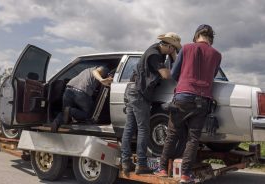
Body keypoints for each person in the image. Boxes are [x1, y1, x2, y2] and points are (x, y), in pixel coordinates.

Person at [155, 24, 221, 183]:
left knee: (172, 134)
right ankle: (185, 174)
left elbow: (174, 73)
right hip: (203, 100)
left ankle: (162, 169)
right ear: (210, 38)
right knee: (193, 138)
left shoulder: (186, 48)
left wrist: (185, 83)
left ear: (196, 35)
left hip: (183, 97)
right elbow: (212, 76)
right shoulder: (217, 54)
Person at [121, 32, 182, 174]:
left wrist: (172, 55)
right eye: (174, 49)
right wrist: (173, 57)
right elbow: (166, 75)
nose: (174, 52)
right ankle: (141, 164)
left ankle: (126, 162)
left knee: (130, 128)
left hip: (133, 91)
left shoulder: (156, 52)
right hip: (139, 94)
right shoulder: (154, 54)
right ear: (168, 46)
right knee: (143, 129)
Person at [50, 66, 113, 132]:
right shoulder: (105, 68)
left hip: (68, 89)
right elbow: (95, 71)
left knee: (64, 112)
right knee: (90, 115)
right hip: (82, 91)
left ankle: (55, 123)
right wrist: (101, 80)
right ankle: (70, 111)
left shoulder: (87, 70)